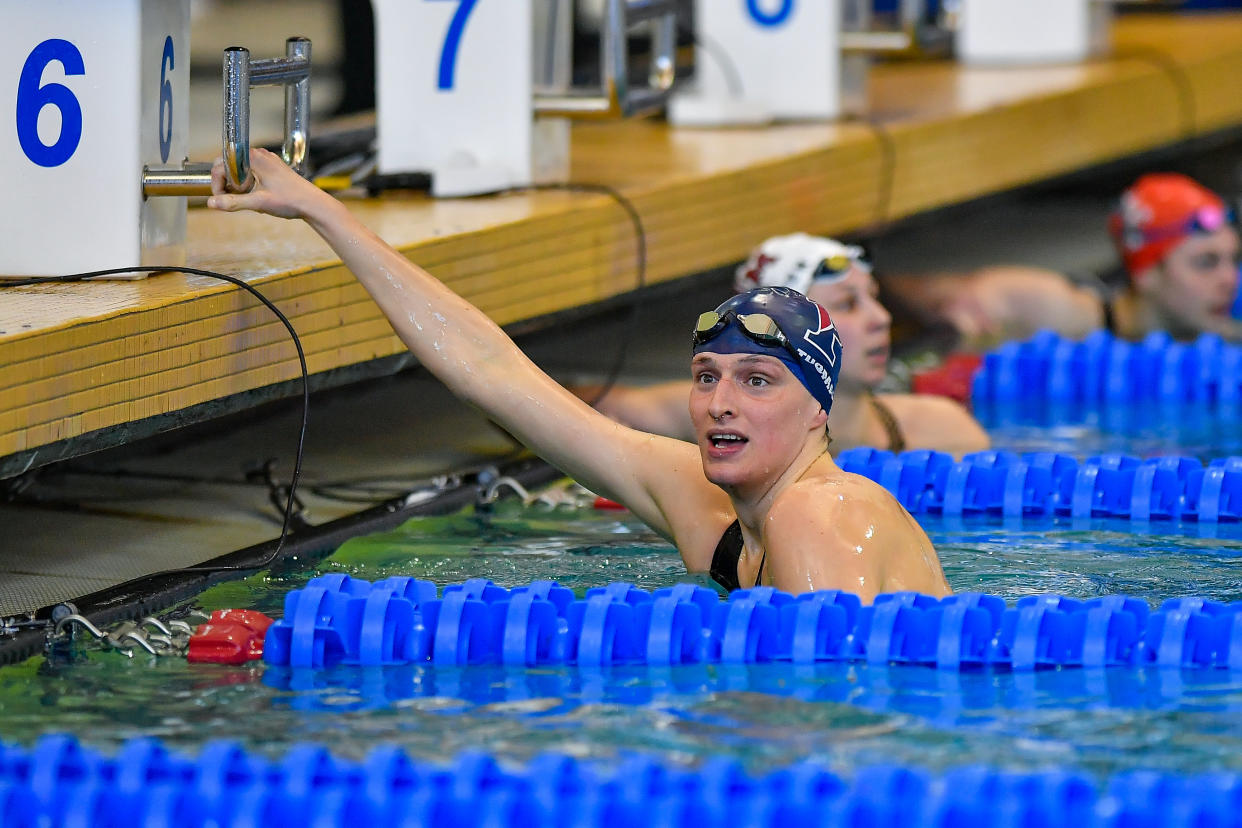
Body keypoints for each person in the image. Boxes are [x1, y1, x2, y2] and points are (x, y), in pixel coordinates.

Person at [207, 149, 950, 601]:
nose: (720, 404)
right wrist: (319, 211)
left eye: (758, 381)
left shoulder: (815, 517)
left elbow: (839, 725)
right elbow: (491, 370)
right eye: (706, 377)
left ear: (818, 409)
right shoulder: (706, 505)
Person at [579, 234, 990, 455]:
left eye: (874, 297)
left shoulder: (942, 430)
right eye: (849, 304)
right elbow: (593, 406)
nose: (881, 318)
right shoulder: (707, 415)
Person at [880, 173, 1242, 349]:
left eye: (1233, 260)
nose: (1230, 279)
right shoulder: (1065, 310)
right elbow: (945, 297)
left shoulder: (1221, 333)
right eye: (1206, 262)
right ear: (1147, 271)